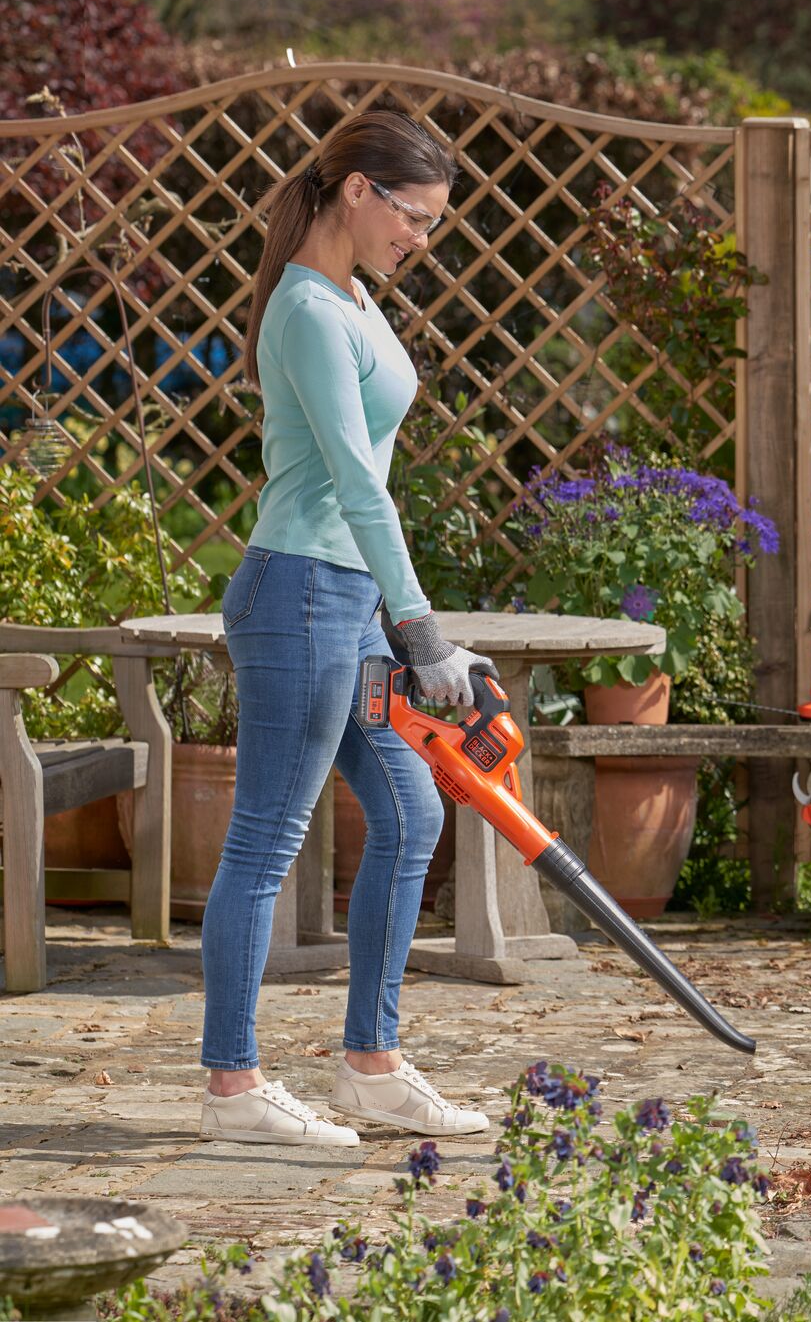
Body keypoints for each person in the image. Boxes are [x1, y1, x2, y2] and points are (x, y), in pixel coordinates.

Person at [199, 109, 492, 1147]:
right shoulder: (310, 314)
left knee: (412, 818)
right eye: (413, 216)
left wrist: (400, 619)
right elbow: (360, 489)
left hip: (346, 596)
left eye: (432, 224)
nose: (422, 238)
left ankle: (371, 1065)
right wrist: (420, 628)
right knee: (267, 839)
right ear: (358, 190)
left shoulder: (354, 296)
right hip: (301, 594)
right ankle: (230, 1086)